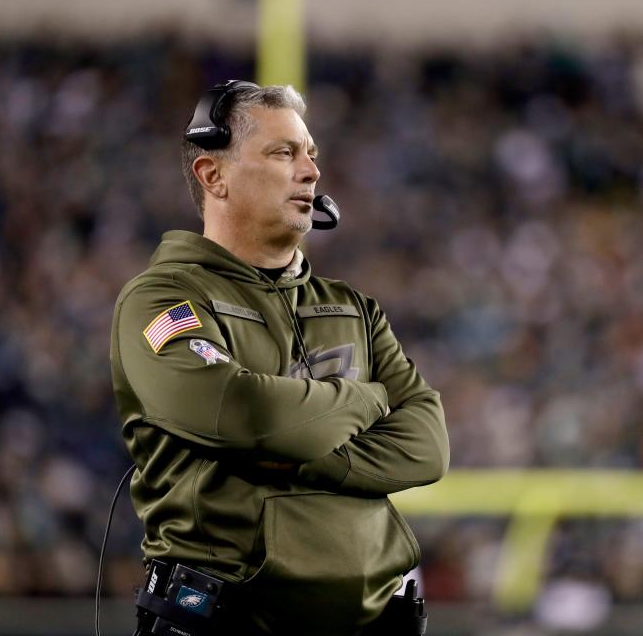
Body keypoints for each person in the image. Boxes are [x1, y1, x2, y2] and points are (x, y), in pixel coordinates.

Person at [109, 81, 449, 635]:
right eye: (283, 152)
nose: (311, 171)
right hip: (225, 621)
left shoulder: (353, 308)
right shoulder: (164, 298)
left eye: (310, 154)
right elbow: (245, 414)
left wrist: (295, 452)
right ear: (213, 176)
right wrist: (365, 400)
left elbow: (428, 447)